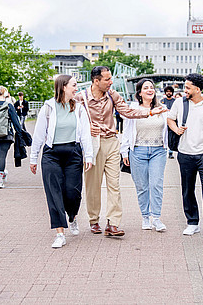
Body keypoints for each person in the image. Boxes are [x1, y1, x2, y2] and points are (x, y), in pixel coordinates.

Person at [75, 66, 167, 237]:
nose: (111, 82)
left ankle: (113, 223)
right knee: (93, 185)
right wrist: (87, 127)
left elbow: (127, 111)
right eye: (107, 79)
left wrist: (150, 112)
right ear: (96, 81)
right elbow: (71, 119)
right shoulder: (81, 98)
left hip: (111, 142)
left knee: (114, 185)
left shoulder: (112, 95)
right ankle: (94, 219)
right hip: (92, 144)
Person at [30, 75, 93, 248]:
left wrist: (89, 155)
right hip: (52, 154)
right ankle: (59, 233)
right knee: (54, 193)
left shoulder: (79, 108)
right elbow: (38, 134)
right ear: (63, 87)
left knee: (73, 192)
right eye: (74, 85)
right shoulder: (48, 108)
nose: (77, 88)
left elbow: (86, 134)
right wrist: (33, 158)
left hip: (73, 153)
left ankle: (72, 216)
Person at [167, 73, 203, 239]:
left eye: (187, 87)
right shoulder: (180, 103)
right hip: (185, 153)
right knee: (187, 189)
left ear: (197, 89)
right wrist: (176, 128)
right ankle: (192, 222)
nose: (185, 90)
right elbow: (170, 120)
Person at [121, 79, 169, 232]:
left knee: (156, 184)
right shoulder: (133, 109)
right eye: (145, 88)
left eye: (151, 87)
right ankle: (145, 217)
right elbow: (127, 130)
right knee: (142, 186)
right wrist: (124, 151)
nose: (150, 90)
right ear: (139, 92)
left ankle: (156, 217)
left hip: (158, 150)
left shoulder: (162, 109)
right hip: (138, 150)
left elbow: (169, 127)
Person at [160, 86, 176, 159]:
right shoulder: (162, 101)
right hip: (163, 122)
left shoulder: (175, 101)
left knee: (171, 137)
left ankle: (170, 152)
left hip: (172, 122)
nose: (168, 93)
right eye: (167, 91)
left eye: (170, 91)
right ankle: (164, 150)